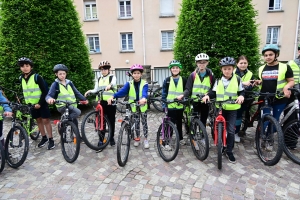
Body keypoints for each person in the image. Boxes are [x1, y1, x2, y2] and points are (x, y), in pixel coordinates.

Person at [203, 57, 245, 163]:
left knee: (231, 130)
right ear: (222, 70)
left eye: (229, 69)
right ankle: (220, 146)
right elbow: (213, 92)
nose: (227, 71)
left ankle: (229, 151)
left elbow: (242, 92)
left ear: (233, 69)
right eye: (225, 69)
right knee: (218, 128)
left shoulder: (237, 79)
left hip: (232, 108)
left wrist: (241, 96)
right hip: (220, 107)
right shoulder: (218, 81)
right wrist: (208, 95)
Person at [107, 64, 149, 149]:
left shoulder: (145, 83)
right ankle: (137, 138)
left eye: (138, 73)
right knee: (136, 123)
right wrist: (113, 96)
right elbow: (122, 92)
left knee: (144, 123)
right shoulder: (129, 84)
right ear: (132, 74)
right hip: (133, 106)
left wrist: (144, 98)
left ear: (141, 74)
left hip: (142, 105)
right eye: (134, 73)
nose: (136, 75)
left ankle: (145, 139)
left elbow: (145, 92)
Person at [18, 57, 55, 150]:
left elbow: (45, 91)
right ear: (20, 68)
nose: (25, 68)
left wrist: (40, 103)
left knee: (46, 120)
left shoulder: (37, 77)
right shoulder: (21, 78)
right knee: (38, 121)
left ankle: (51, 140)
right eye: (22, 66)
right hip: (31, 105)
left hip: (41, 103)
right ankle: (44, 138)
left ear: (31, 67)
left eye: (27, 66)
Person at [255, 44, 294, 125]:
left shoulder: (285, 67)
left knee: (274, 122)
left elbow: (291, 81)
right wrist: (259, 81)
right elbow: (262, 79)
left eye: (270, 55)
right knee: (264, 120)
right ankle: (262, 136)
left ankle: (270, 136)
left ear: (276, 55)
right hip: (265, 97)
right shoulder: (261, 68)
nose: (268, 57)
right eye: (265, 55)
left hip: (279, 98)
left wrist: (287, 87)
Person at [46, 64, 88, 134]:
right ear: (56, 74)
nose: (62, 75)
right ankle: (62, 123)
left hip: (72, 105)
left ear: (66, 74)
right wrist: (49, 99)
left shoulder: (69, 83)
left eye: (64, 74)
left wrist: (84, 99)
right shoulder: (55, 84)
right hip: (62, 106)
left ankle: (76, 137)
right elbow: (49, 95)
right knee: (78, 112)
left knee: (74, 121)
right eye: (60, 74)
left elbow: (76, 92)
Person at [84, 61, 117, 146]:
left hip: (110, 102)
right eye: (102, 69)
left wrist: (110, 85)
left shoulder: (112, 77)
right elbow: (96, 90)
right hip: (101, 102)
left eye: (105, 69)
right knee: (101, 121)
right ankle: (101, 139)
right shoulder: (99, 79)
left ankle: (111, 137)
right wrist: (90, 91)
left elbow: (113, 83)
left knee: (111, 120)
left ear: (109, 69)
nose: (103, 71)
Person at [179, 53, 215, 129]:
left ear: (207, 63)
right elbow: (188, 89)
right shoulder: (192, 75)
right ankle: (193, 135)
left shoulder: (211, 75)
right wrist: (183, 95)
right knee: (194, 119)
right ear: (196, 63)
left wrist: (208, 95)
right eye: (199, 62)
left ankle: (202, 135)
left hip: (205, 101)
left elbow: (213, 89)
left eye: (204, 62)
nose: (202, 64)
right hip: (195, 101)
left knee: (203, 119)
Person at [161, 60, 187, 145]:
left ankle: (180, 138)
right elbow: (164, 92)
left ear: (180, 69)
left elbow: (186, 91)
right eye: (173, 68)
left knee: (179, 123)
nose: (175, 69)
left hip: (180, 106)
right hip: (170, 105)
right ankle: (168, 140)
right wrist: (164, 104)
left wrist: (185, 101)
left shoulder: (183, 80)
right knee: (170, 124)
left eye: (177, 68)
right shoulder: (167, 80)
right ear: (170, 70)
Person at [234, 55, 255, 142]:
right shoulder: (232, 72)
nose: (243, 65)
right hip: (233, 97)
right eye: (241, 63)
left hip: (245, 98)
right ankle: (229, 131)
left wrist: (246, 87)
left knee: (239, 117)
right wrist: (243, 84)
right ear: (237, 64)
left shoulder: (250, 74)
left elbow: (251, 85)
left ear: (247, 64)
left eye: (245, 63)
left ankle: (236, 133)